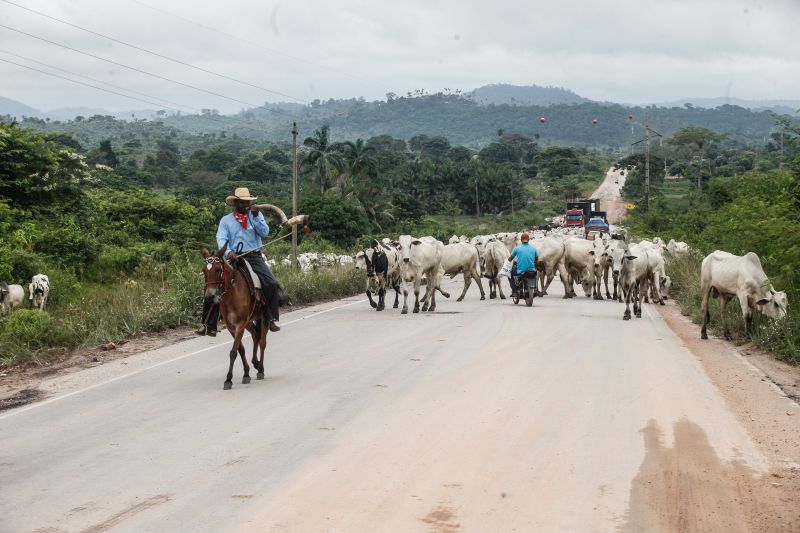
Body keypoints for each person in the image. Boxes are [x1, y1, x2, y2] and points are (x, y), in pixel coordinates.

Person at [196, 187, 284, 336]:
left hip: (253, 257)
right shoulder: (226, 220)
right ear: (235, 203)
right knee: (213, 284)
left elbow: (265, 232)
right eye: (242, 202)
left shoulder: (256, 215)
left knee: (271, 283)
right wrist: (229, 252)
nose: (245, 204)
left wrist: (255, 217)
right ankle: (208, 324)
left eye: (247, 202)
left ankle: (271, 318)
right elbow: (221, 238)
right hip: (232, 257)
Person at [508, 232, 538, 298]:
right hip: (531, 270)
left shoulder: (517, 248)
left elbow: (510, 259)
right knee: (535, 275)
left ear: (521, 240)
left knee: (510, 273)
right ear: (528, 240)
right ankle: (535, 290)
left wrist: (508, 260)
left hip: (521, 271)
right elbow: (536, 259)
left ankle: (515, 291)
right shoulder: (534, 248)